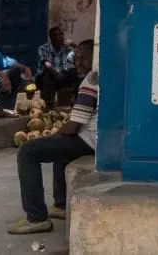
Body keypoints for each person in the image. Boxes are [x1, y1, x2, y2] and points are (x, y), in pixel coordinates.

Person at [8, 40, 97, 235]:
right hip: (99, 139)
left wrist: (57, 132)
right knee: (60, 146)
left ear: (95, 57)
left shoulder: (92, 80)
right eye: (78, 59)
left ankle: (36, 217)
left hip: (90, 140)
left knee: (27, 151)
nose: (79, 63)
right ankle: (61, 204)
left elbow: (74, 126)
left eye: (84, 58)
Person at [35, 25, 79, 107]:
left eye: (61, 34)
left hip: (61, 76)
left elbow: (80, 55)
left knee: (76, 72)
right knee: (48, 73)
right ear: (51, 37)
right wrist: (56, 73)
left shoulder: (67, 48)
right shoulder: (43, 48)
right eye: (57, 35)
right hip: (44, 78)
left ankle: (77, 101)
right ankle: (47, 104)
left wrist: (74, 45)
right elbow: (46, 64)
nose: (61, 37)